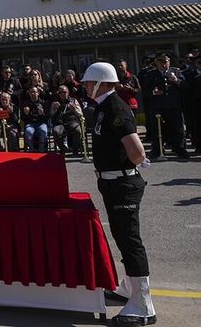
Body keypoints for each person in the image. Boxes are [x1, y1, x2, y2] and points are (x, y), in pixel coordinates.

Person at [81, 62, 156, 326]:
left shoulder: (116, 108)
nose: (86, 86)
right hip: (112, 183)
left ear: (103, 83)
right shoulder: (103, 107)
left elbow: (136, 152)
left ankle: (143, 306)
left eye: (90, 82)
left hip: (122, 184)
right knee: (122, 238)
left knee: (130, 241)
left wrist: (136, 161)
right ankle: (129, 288)